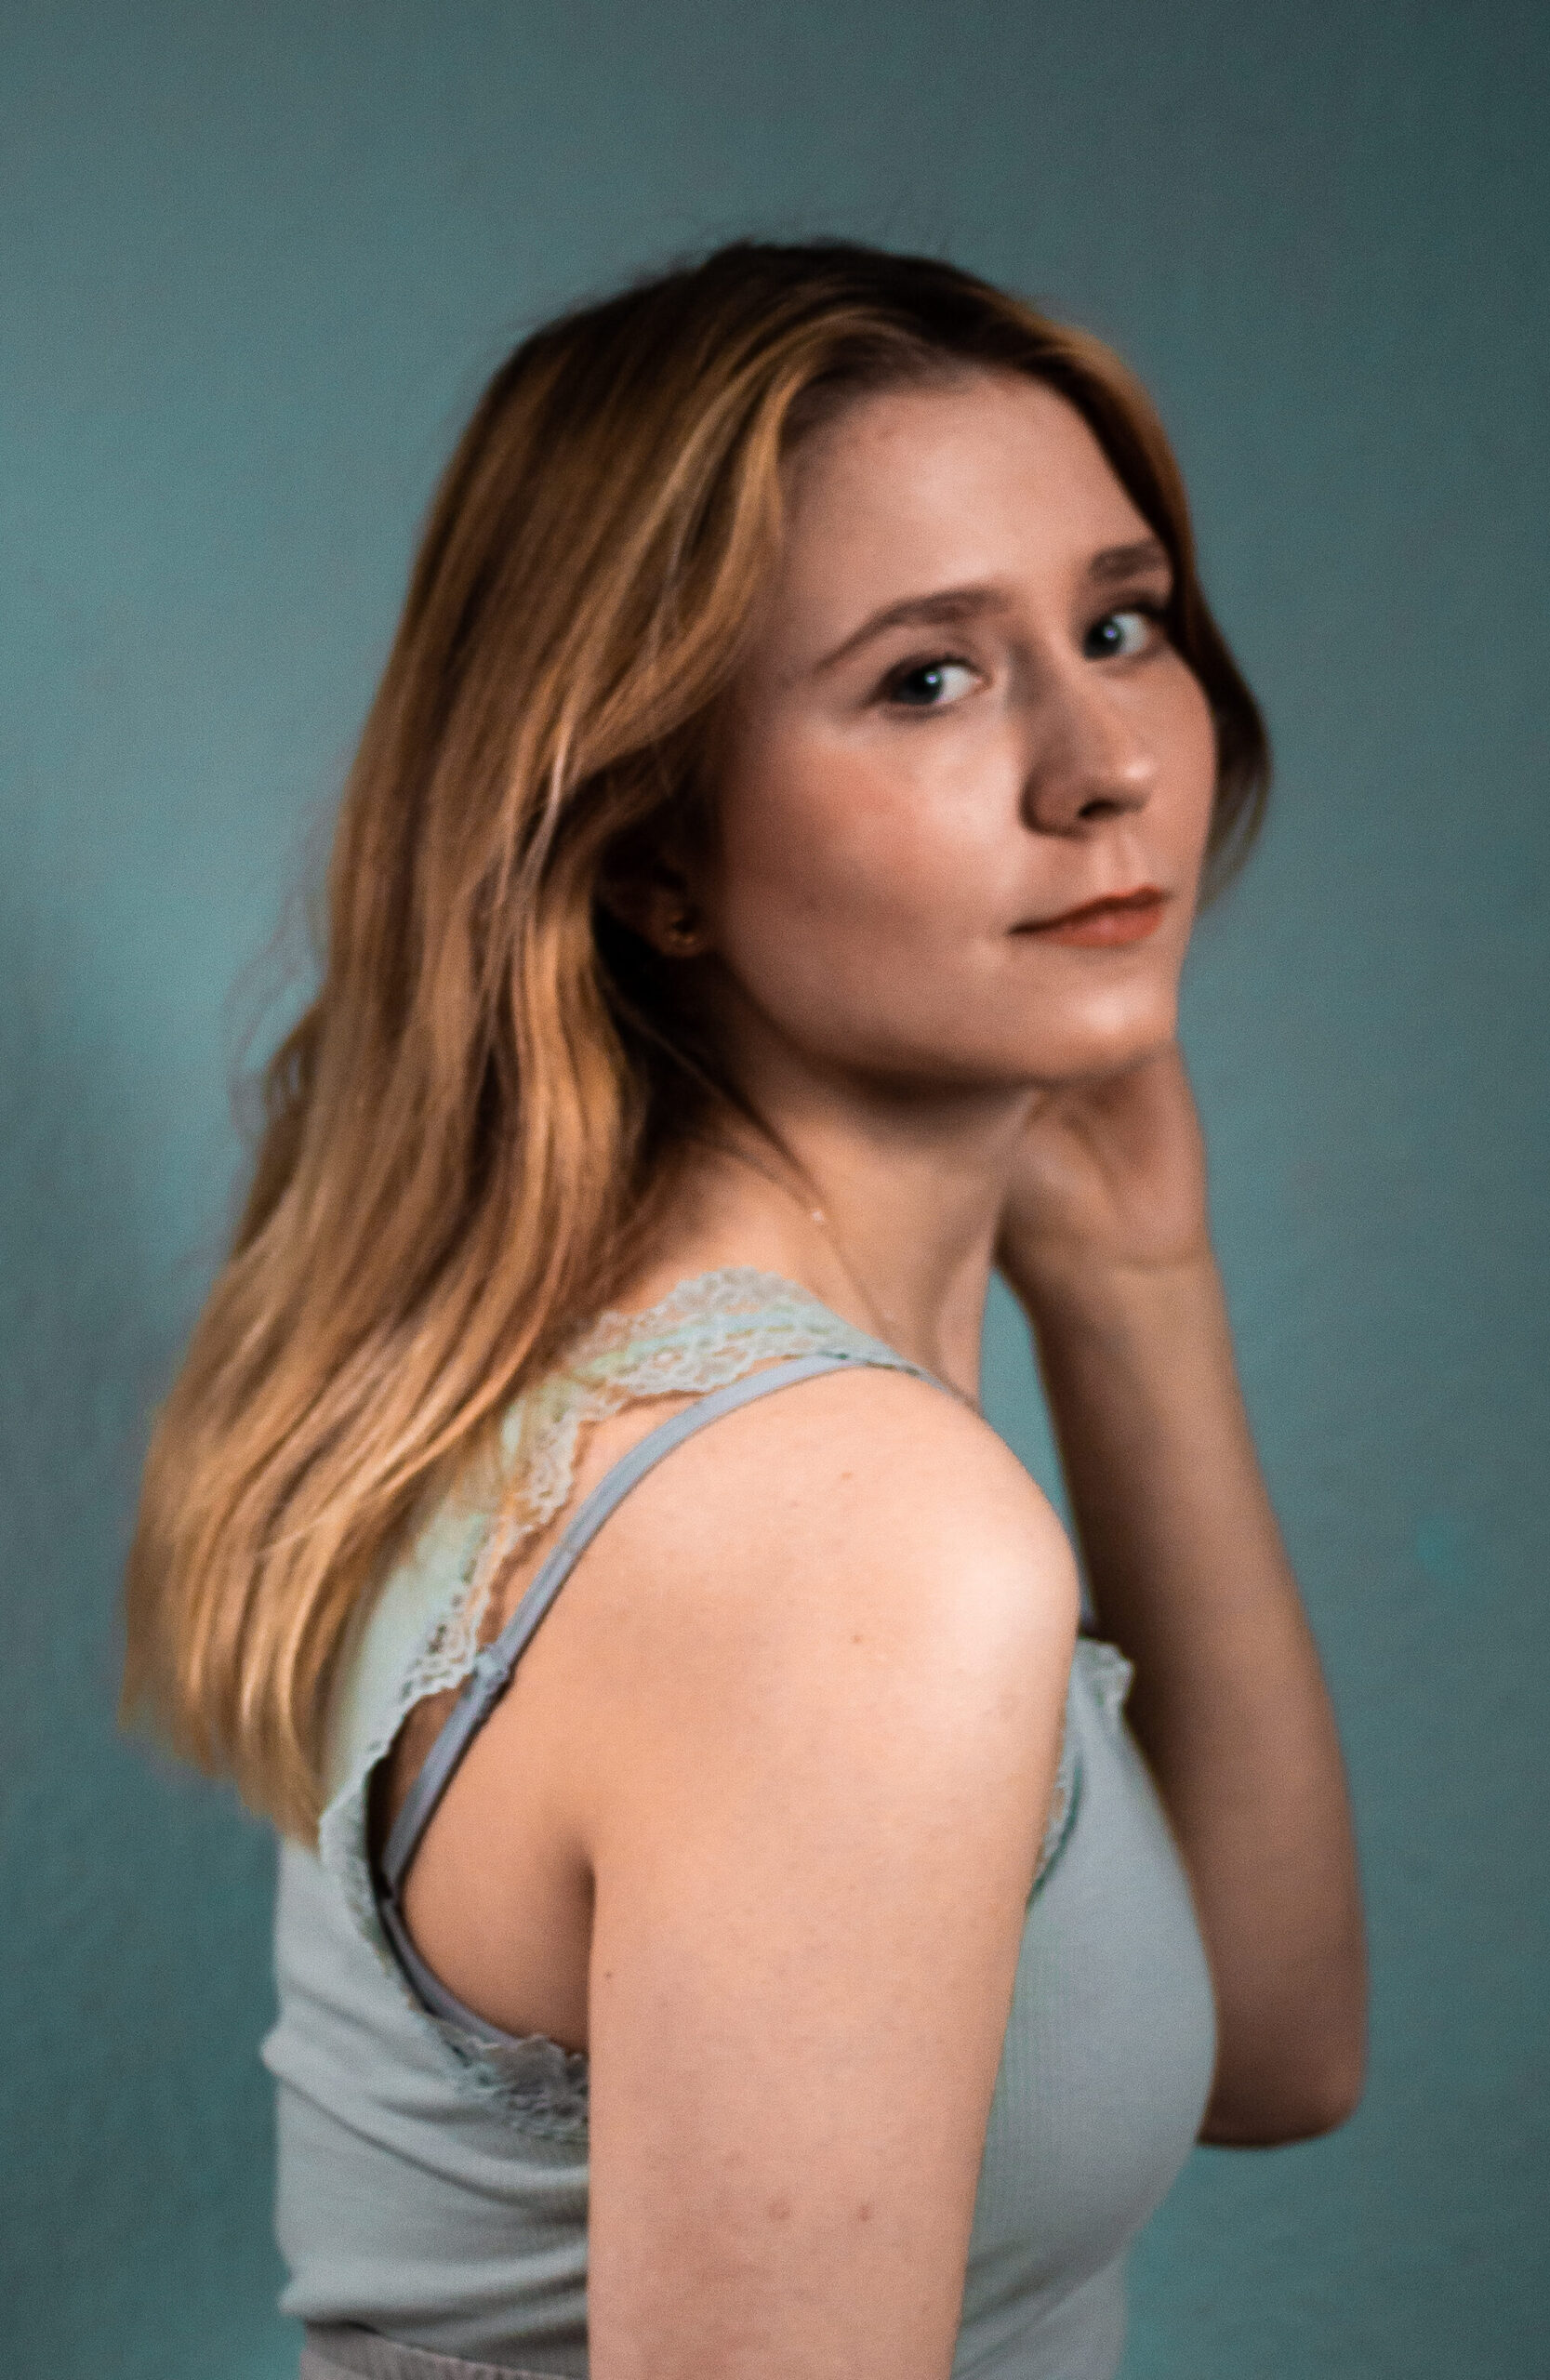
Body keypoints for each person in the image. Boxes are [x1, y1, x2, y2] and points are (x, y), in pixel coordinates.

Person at [123, 239, 1366, 2380]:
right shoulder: (831, 1530)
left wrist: (1133, 1286)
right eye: (927, 677)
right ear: (651, 854)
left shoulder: (616, 1392)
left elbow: (1272, 2045)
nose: (1102, 764)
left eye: (1118, 623)